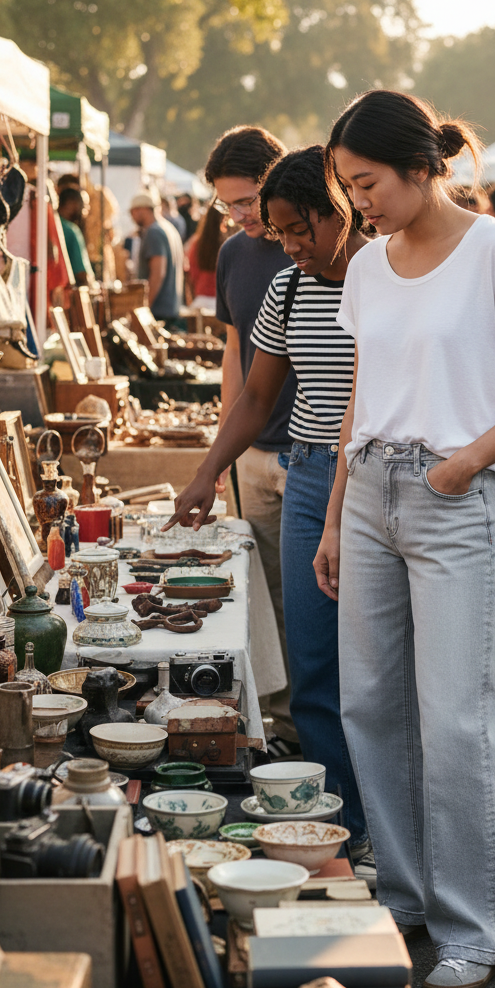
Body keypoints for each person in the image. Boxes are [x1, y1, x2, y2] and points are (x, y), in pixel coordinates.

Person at [314, 89, 495, 988]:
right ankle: (407, 892)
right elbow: (361, 388)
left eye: (368, 182)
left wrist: (465, 468)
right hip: (372, 488)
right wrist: (340, 507)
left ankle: (473, 928)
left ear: (422, 166)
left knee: (456, 719)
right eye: (348, 188)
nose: (360, 202)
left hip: (455, 497)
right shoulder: (367, 266)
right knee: (372, 705)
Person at [164, 145, 370, 860]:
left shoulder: (387, 279)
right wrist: (205, 475)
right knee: (312, 662)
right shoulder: (288, 288)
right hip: (310, 475)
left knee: (374, 667)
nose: (286, 245)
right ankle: (339, 828)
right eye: (278, 232)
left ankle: (390, 823)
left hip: (377, 482)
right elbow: (256, 395)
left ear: (336, 209)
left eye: (297, 230)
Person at [205, 125, 299, 752]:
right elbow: (235, 349)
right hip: (256, 453)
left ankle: (324, 722)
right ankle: (283, 727)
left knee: (314, 596)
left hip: (311, 452)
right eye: (225, 204)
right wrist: (223, 449)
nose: (237, 216)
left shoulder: (308, 244)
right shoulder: (233, 254)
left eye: (245, 201)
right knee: (265, 598)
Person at [129, 192, 185, 324]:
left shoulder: (154, 232)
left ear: (141, 209)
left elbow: (158, 273)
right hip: (171, 307)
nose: (132, 217)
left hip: (159, 311)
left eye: (132, 212)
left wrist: (145, 308)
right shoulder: (168, 227)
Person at [186, 205, 225, 312]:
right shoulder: (228, 243)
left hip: (201, 298)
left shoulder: (197, 243)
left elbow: (192, 272)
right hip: (222, 300)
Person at [58, 187, 94, 285]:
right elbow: (81, 273)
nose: (86, 210)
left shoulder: (47, 224)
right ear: (71, 203)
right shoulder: (71, 230)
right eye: (84, 205)